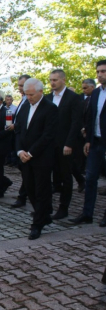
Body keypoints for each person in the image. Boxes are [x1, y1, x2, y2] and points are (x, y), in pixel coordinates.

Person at [16, 78, 58, 240]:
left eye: (32, 94)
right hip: (24, 156)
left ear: (41, 92)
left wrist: (31, 153)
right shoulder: (25, 106)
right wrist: (20, 151)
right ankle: (44, 215)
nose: (29, 97)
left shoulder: (50, 108)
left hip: (41, 157)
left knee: (42, 190)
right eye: (26, 94)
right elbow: (19, 130)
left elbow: (48, 135)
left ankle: (37, 224)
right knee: (30, 188)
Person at [70, 60, 106, 227]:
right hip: (95, 142)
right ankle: (87, 213)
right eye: (98, 71)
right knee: (90, 178)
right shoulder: (97, 93)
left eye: (103, 71)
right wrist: (88, 140)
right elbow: (91, 118)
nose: (100, 74)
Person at [44, 69, 83, 220]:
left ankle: (63, 208)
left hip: (65, 144)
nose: (52, 83)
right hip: (48, 144)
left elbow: (75, 123)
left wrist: (69, 143)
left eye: (55, 80)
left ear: (63, 80)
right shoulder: (47, 98)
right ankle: (46, 208)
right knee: (47, 176)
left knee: (65, 176)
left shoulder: (73, 98)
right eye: (50, 80)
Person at [10, 74, 32, 208]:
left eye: (22, 85)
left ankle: (23, 196)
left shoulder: (31, 100)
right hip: (18, 138)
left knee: (27, 170)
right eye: (18, 85)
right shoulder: (23, 100)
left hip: (26, 140)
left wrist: (16, 125)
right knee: (23, 169)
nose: (20, 88)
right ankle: (24, 194)